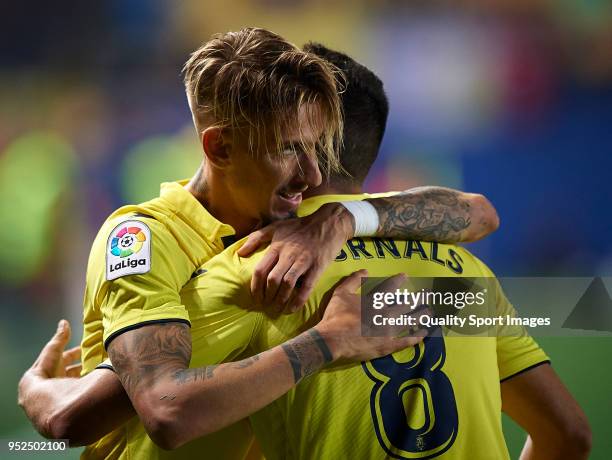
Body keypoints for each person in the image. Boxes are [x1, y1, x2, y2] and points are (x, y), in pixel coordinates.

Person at [18, 32, 501, 459]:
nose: (313, 175)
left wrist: (343, 218)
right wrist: (328, 342)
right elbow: (160, 411)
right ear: (220, 149)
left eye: (319, 149)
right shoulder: (145, 239)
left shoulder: (303, 225)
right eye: (289, 148)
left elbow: (478, 212)